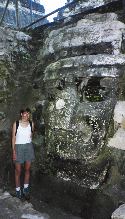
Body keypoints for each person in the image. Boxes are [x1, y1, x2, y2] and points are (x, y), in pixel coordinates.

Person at [12, 107, 35, 199]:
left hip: (28, 147)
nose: (27, 115)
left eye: (28, 114)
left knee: (27, 169)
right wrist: (13, 151)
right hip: (18, 147)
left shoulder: (31, 124)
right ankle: (18, 190)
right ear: (21, 114)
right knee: (18, 170)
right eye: (25, 113)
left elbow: (31, 135)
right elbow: (13, 138)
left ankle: (25, 188)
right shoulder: (16, 124)